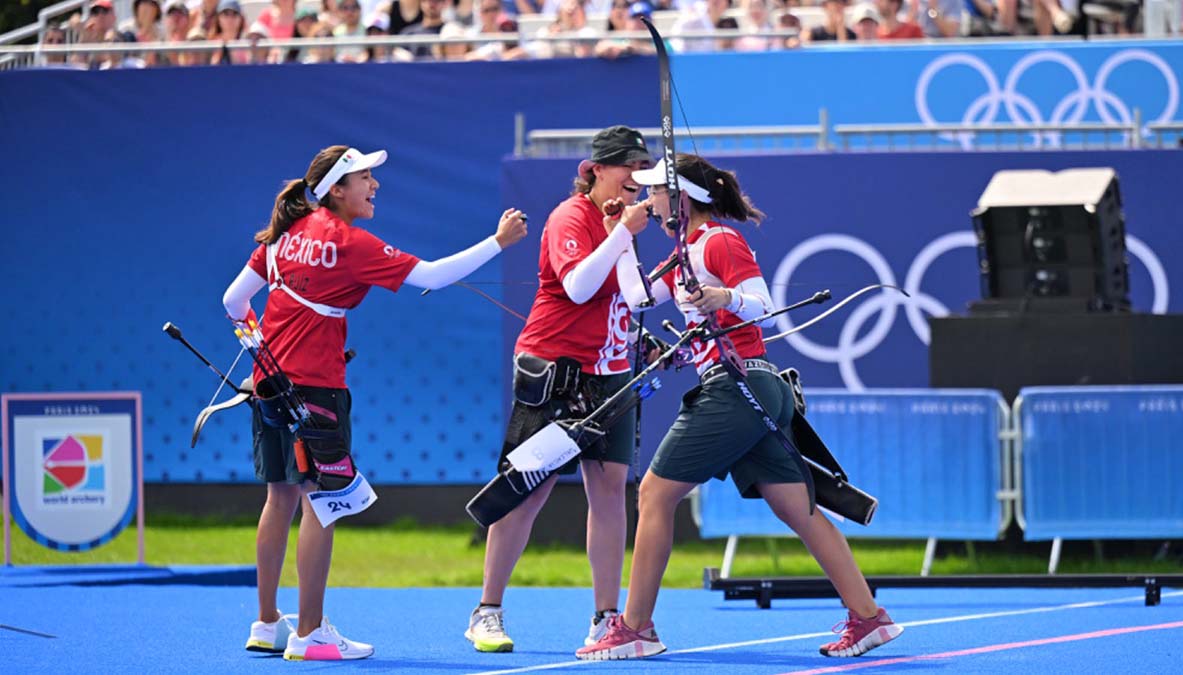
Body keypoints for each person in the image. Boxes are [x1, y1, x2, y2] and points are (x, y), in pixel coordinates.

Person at [576, 154, 904, 660]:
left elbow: (764, 307)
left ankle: (637, 628)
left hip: (739, 385)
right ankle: (869, 618)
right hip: (748, 389)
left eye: (655, 192)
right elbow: (638, 298)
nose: (647, 199)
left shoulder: (720, 241)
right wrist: (620, 234)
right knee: (796, 506)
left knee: (656, 494)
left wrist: (719, 294)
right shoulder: (685, 251)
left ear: (680, 198)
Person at [223, 145, 527, 661]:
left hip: (269, 387)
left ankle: (269, 622)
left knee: (279, 499)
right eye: (364, 177)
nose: (375, 185)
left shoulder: (282, 238)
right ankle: (312, 633)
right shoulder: (346, 241)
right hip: (317, 390)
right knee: (324, 502)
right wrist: (498, 242)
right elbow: (431, 276)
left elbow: (232, 302)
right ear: (336, 189)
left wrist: (259, 348)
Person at [465, 126, 654, 654]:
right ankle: (487, 610)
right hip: (557, 373)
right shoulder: (571, 217)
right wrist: (622, 233)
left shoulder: (621, 221)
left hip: (610, 373)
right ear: (595, 171)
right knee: (527, 490)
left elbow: (629, 296)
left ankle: (605, 619)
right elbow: (577, 286)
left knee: (611, 492)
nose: (636, 178)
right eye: (628, 168)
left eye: (643, 169)